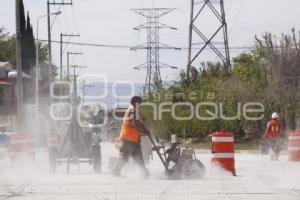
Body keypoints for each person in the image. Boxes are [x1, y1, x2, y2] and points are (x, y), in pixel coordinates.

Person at [113, 96, 150, 177]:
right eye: (139, 103)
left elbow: (140, 123)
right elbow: (135, 124)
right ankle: (116, 172)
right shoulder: (133, 111)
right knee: (124, 157)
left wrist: (145, 130)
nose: (141, 104)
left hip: (134, 139)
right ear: (135, 103)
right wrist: (144, 131)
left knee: (139, 159)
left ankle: (145, 174)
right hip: (127, 138)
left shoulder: (136, 111)